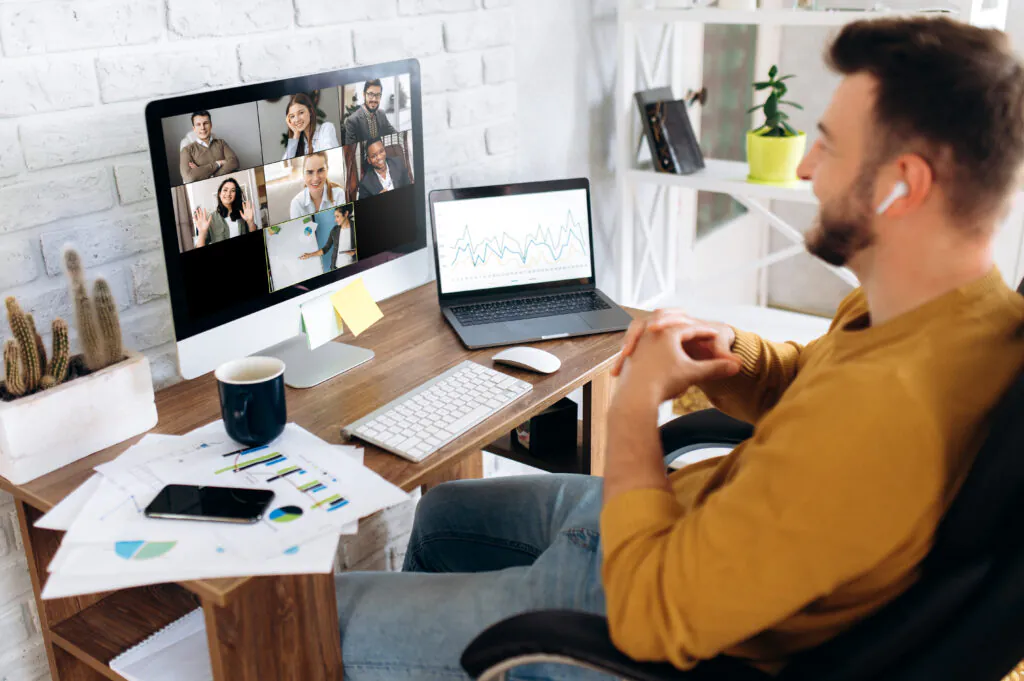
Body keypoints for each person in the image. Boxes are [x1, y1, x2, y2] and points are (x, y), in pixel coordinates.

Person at [333, 17, 1024, 680]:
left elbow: (649, 617)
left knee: (322, 620)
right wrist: (731, 350)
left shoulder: (886, 414)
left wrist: (634, 407)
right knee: (442, 512)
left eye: (831, 146)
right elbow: (811, 381)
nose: (808, 166)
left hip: (625, 602)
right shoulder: (946, 314)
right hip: (665, 516)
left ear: (907, 184)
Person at [193, 178, 256, 248]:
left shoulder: (243, 214)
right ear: (220, 194)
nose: (228, 193)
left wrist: (250, 222)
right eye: (225, 190)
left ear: (236, 194)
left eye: (232, 191)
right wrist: (202, 233)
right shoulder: (211, 219)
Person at [179, 111, 239, 184]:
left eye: (206, 123)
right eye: (198, 124)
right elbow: (189, 177)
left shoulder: (221, 143)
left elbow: (235, 162)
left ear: (211, 125)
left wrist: (205, 173)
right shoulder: (186, 150)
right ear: (194, 128)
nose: (202, 128)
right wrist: (218, 163)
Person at [281, 92, 339, 161]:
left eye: (301, 112)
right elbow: (286, 165)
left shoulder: (326, 129)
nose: (297, 119)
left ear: (310, 111)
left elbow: (331, 158)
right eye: (292, 116)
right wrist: (296, 134)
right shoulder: (299, 141)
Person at [299, 205, 357, 270]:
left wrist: (355, 253)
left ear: (346, 214)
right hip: (336, 268)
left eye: (337, 216)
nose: (335, 220)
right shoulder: (334, 230)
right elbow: (326, 248)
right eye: (335, 217)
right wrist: (309, 255)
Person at [290, 152, 345, 219]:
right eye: (310, 172)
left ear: (327, 170)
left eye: (320, 170)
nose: (315, 178)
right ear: (303, 174)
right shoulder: (297, 203)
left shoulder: (339, 195)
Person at [343, 79, 397, 144]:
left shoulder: (382, 114)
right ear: (364, 94)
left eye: (378, 95)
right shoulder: (352, 121)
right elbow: (351, 150)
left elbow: (394, 134)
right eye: (371, 94)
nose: (374, 99)